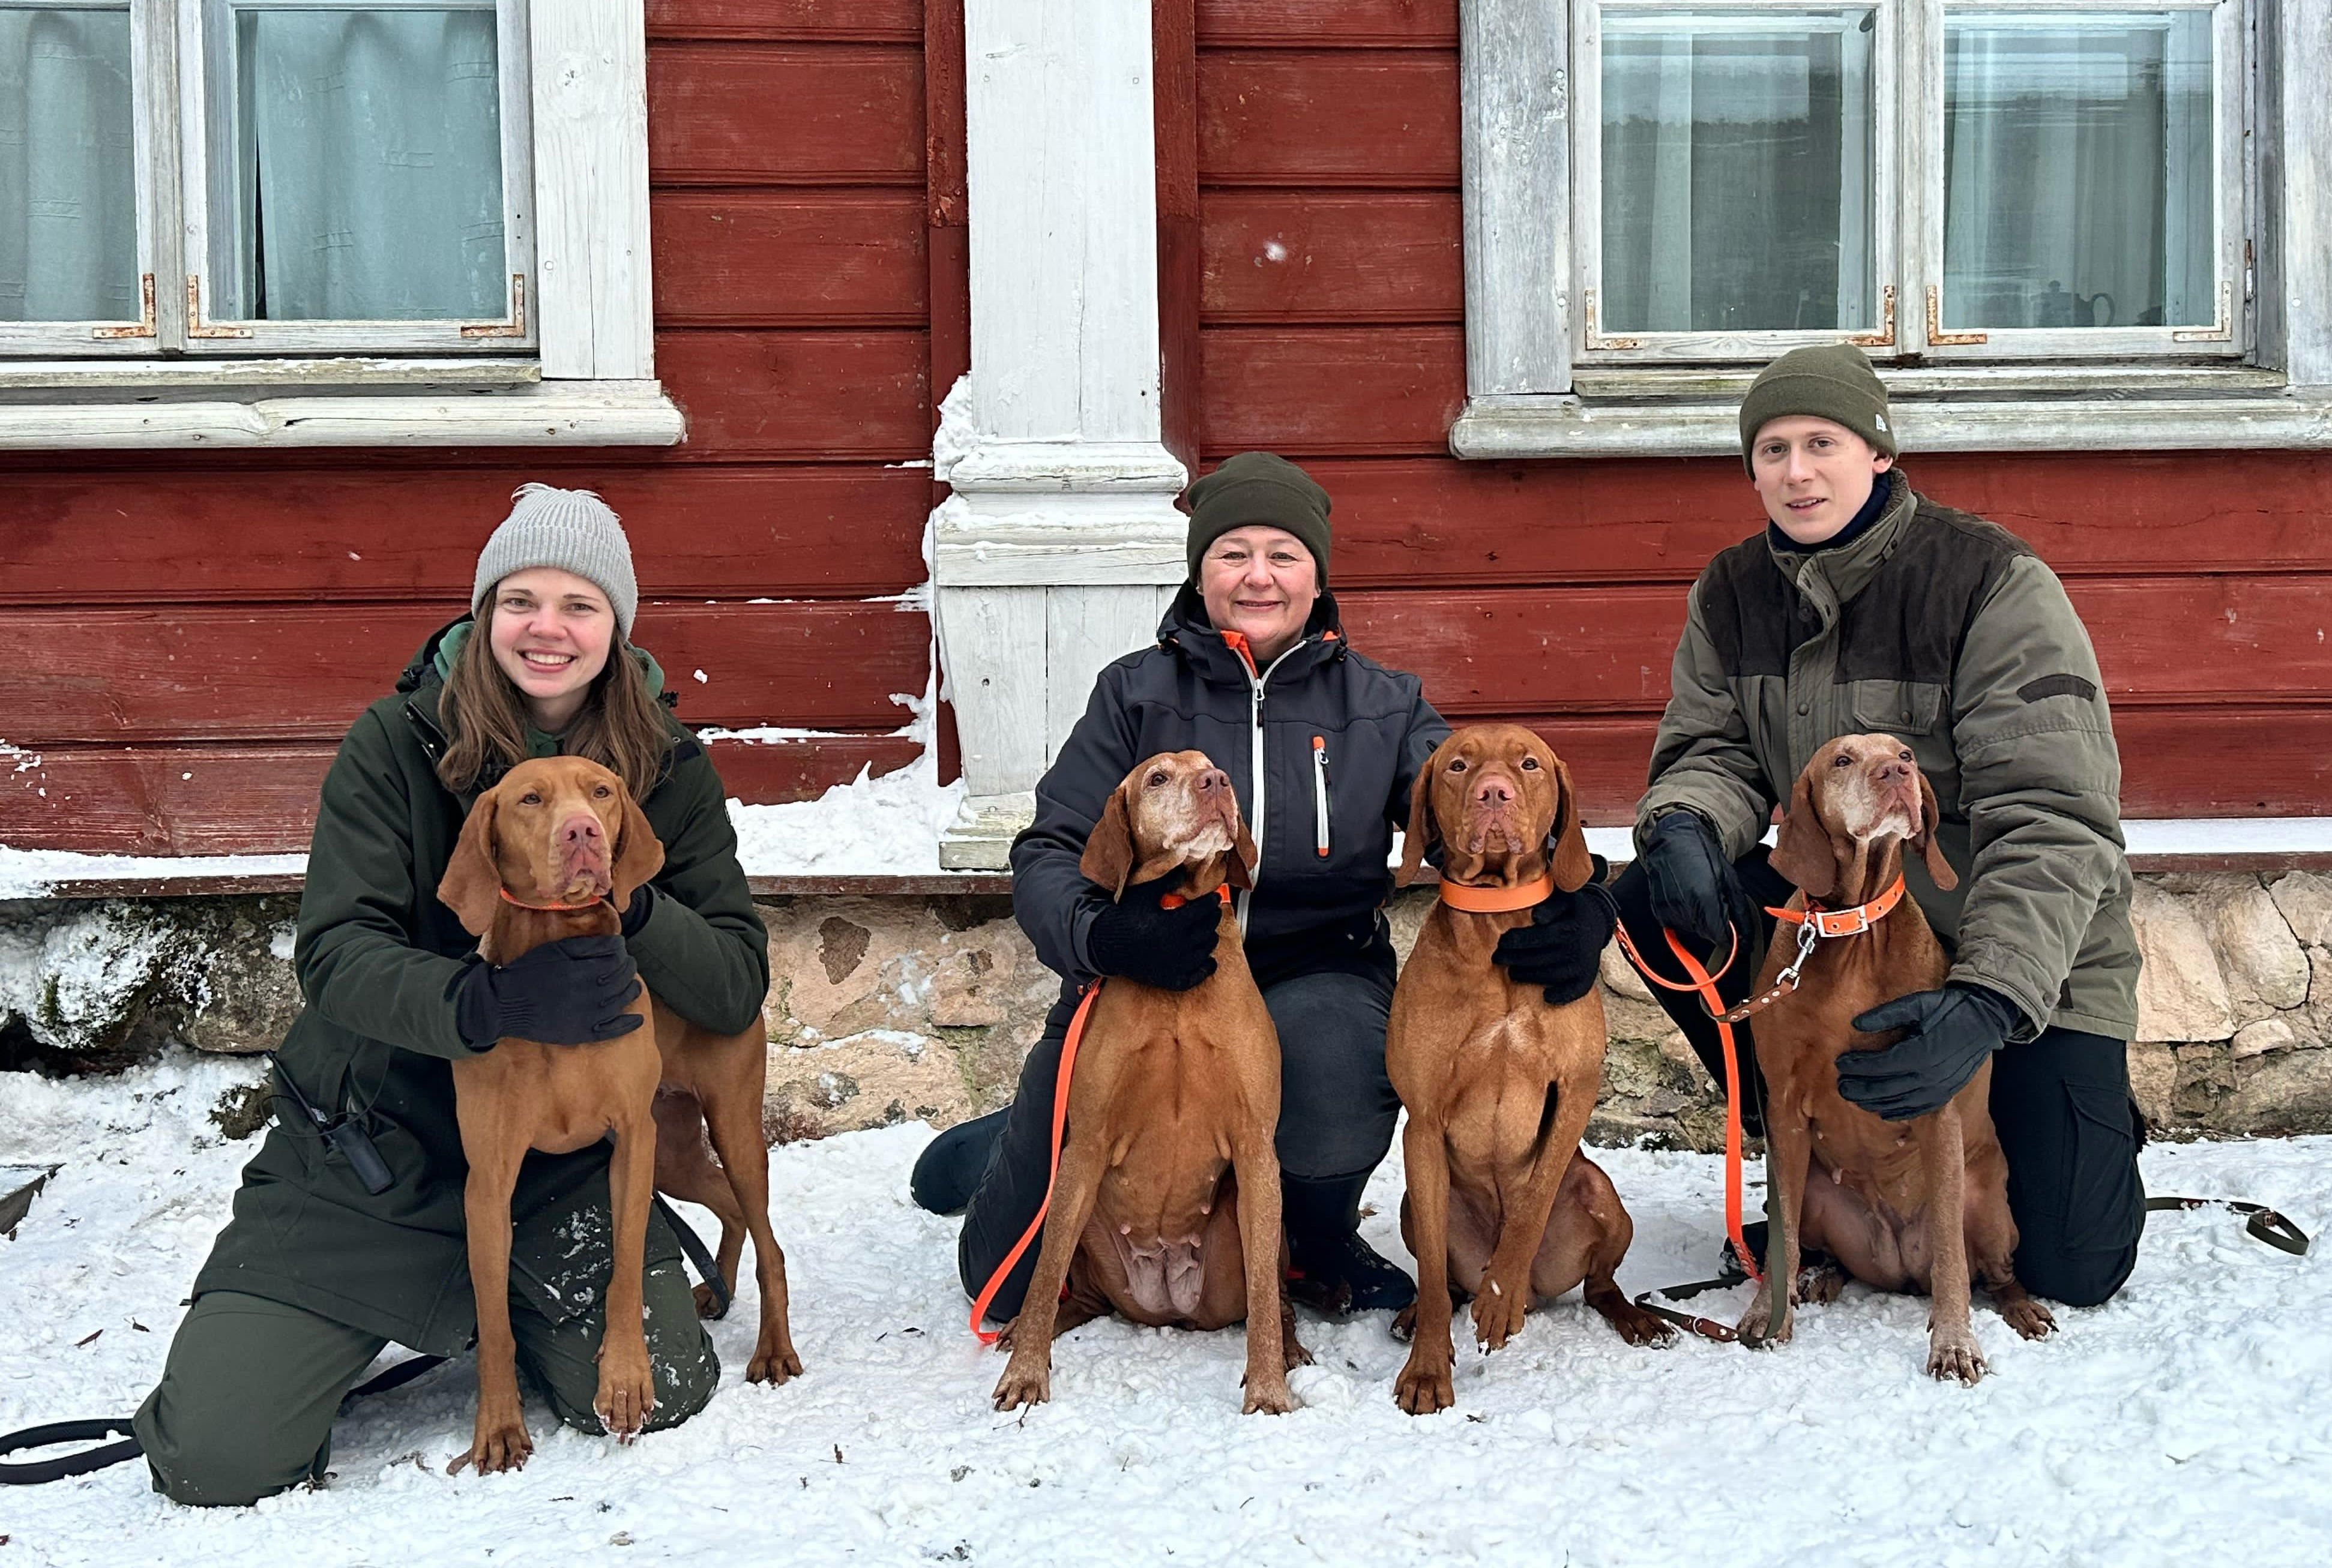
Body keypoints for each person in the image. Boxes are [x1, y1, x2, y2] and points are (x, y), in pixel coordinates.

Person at [134, 485, 769, 1504]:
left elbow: (738, 981)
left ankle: (513, 1299)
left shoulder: (664, 771)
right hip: (375, 1146)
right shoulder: (393, 745)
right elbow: (336, 952)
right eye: (521, 599)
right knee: (216, 1452)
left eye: (581, 603)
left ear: (616, 627)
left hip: (564, 1165)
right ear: (485, 614)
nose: (548, 628)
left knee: (672, 1386)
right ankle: (379, 1310)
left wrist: (627, 903)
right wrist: (487, 1005)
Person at [1606, 344, 2147, 1308]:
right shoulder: (1732, 592)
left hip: (2006, 951)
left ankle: (2054, 1118)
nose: (1797, 471)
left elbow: (2056, 820)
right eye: (1772, 449)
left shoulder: (1990, 582)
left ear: (1881, 455)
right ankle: (1816, 1150)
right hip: (1838, 926)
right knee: (1652, 892)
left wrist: (1987, 998)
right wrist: (1685, 820)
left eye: (1823, 442)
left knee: (2072, 1264)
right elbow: (1712, 749)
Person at [910, 452, 1503, 1316]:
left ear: (1317, 574)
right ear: (1200, 570)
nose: (1258, 575)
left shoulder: (1380, 704)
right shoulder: (1134, 694)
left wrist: (1570, 895)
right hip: (1146, 969)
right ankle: (1024, 1134)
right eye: (1233, 552)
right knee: (997, 1286)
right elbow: (1048, 849)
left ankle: (1318, 1239)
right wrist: (1106, 936)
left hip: (1312, 976)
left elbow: (1465, 813)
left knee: (1333, 1063)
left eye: (1284, 553)